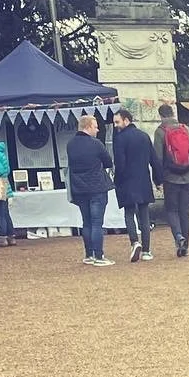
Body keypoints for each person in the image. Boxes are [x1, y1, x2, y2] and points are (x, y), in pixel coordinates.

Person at [65, 114, 115, 265]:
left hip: (79, 188)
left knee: (86, 222)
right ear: (87, 127)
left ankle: (89, 254)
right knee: (96, 223)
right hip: (96, 187)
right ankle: (99, 256)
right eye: (95, 126)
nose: (97, 129)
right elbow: (108, 162)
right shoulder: (96, 144)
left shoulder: (70, 144)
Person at [111, 109, 157, 261]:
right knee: (144, 215)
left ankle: (134, 242)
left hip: (126, 180)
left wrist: (117, 180)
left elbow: (120, 163)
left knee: (129, 213)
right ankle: (147, 250)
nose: (116, 125)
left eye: (117, 122)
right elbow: (154, 159)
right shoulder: (144, 136)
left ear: (126, 120)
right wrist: (159, 180)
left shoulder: (120, 139)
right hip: (143, 179)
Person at [153, 104, 189, 256]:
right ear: (173, 113)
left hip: (170, 178)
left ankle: (178, 236)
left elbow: (158, 158)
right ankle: (185, 245)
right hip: (188, 176)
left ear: (161, 115)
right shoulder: (187, 129)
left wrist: (158, 179)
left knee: (172, 210)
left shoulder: (160, 132)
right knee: (185, 212)